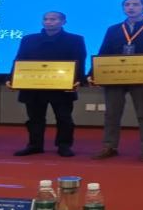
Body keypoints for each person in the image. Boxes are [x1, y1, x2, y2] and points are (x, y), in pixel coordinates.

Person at [92, 0, 143, 162]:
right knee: (112, 114)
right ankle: (109, 146)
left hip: (142, 77)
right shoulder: (113, 29)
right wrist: (94, 73)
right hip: (115, 77)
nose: (130, 7)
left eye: (135, 4)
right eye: (127, 5)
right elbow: (103, 51)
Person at [11, 11, 87, 157]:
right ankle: (34, 145)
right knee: (34, 118)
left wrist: (79, 79)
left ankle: (64, 145)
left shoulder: (75, 39)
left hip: (62, 86)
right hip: (33, 85)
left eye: (53, 19)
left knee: (64, 118)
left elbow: (80, 60)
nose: (48, 22)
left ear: (63, 22)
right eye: (45, 19)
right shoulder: (29, 39)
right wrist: (12, 78)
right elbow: (19, 59)